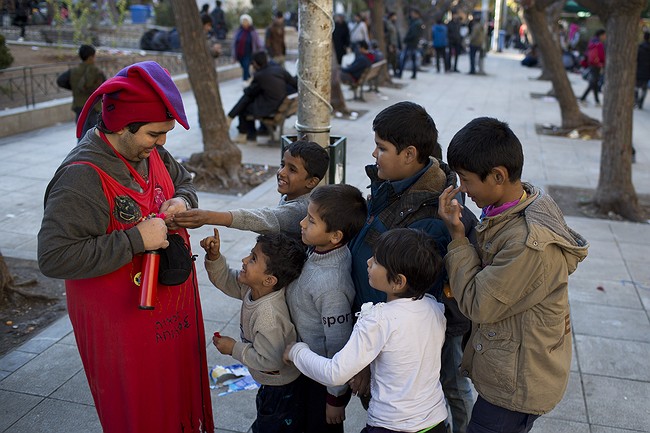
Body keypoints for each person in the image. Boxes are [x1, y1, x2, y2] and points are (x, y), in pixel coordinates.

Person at [37, 61, 214, 433]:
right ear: (122, 127)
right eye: (154, 134)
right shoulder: (80, 177)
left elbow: (184, 182)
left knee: (175, 395)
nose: (162, 143)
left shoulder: (150, 152)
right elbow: (54, 256)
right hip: (121, 324)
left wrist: (181, 201)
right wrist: (136, 239)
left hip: (170, 312)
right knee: (140, 409)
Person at [437, 117, 589, 433]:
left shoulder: (526, 244)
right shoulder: (518, 203)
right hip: (513, 366)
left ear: (499, 176)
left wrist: (457, 238)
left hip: (517, 385)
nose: (463, 190)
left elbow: (478, 304)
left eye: (466, 181)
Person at [346, 101, 477, 432]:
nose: (374, 155)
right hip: (382, 316)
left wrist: (368, 349)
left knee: (451, 382)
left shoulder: (435, 215)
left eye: (382, 148)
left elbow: (412, 294)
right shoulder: (394, 182)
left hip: (418, 327)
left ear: (409, 154)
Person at [284, 228, 448, 433]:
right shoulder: (435, 308)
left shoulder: (378, 320)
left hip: (391, 425)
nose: (369, 262)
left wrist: (296, 351)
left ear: (398, 281)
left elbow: (335, 373)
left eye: (377, 261)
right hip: (435, 421)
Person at [202, 229, 307, 433]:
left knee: (272, 425)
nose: (244, 259)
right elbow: (226, 279)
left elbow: (271, 360)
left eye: (253, 259)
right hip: (269, 383)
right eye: (250, 254)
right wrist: (214, 258)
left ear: (269, 280)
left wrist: (234, 348)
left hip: (280, 388)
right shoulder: (253, 288)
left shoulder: (268, 316)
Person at [287, 183, 367, 432]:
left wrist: (335, 399)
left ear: (335, 236)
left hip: (320, 380)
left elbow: (338, 344)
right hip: (306, 367)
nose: (302, 223)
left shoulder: (331, 285)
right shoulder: (320, 250)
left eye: (311, 221)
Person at [172, 140, 329, 240]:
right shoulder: (294, 195)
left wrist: (208, 217)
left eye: (292, 170)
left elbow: (261, 218)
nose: (281, 172)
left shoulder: (302, 209)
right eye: (283, 165)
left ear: (311, 182)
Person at [226, 51, 297, 143]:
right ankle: (231, 119)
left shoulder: (259, 75)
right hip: (281, 104)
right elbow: (294, 83)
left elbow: (248, 92)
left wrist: (250, 80)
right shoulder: (279, 69)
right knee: (248, 100)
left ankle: (242, 132)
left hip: (271, 108)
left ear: (255, 63)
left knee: (244, 107)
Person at [70, 44, 106, 140]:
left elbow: (61, 81)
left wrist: (74, 88)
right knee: (94, 137)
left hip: (79, 106)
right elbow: (105, 86)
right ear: (91, 57)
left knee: (81, 135)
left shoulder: (74, 71)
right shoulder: (96, 71)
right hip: (93, 107)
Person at [232, 14, 263, 81]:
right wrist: (234, 55)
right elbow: (234, 43)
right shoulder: (239, 31)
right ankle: (249, 77)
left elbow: (257, 42)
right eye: (243, 21)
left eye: (246, 21)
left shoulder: (253, 31)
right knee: (244, 67)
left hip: (248, 53)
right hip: (240, 53)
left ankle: (245, 80)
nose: (245, 23)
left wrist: (260, 51)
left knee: (246, 66)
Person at [580, 29, 606, 106]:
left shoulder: (592, 42)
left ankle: (596, 101)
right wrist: (601, 63)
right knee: (593, 83)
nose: (605, 37)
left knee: (594, 83)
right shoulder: (598, 44)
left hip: (593, 64)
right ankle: (583, 98)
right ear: (601, 35)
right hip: (596, 65)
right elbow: (600, 55)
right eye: (604, 35)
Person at [397, 8, 423, 79]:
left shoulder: (416, 23)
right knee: (412, 58)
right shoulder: (416, 22)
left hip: (411, 43)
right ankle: (412, 74)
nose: (412, 15)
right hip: (413, 43)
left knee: (405, 58)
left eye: (413, 13)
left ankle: (401, 73)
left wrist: (406, 39)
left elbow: (413, 34)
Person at [635, 31, 650, 110]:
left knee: (636, 86)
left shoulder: (639, 47)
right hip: (647, 72)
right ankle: (641, 102)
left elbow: (635, 59)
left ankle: (636, 101)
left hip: (639, 70)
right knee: (644, 88)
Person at [383, 12, 401, 76]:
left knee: (394, 59)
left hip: (394, 44)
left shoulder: (393, 24)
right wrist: (390, 44)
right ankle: (388, 71)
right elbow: (388, 34)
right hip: (390, 44)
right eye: (394, 16)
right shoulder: (387, 23)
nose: (395, 18)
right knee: (389, 58)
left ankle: (394, 72)